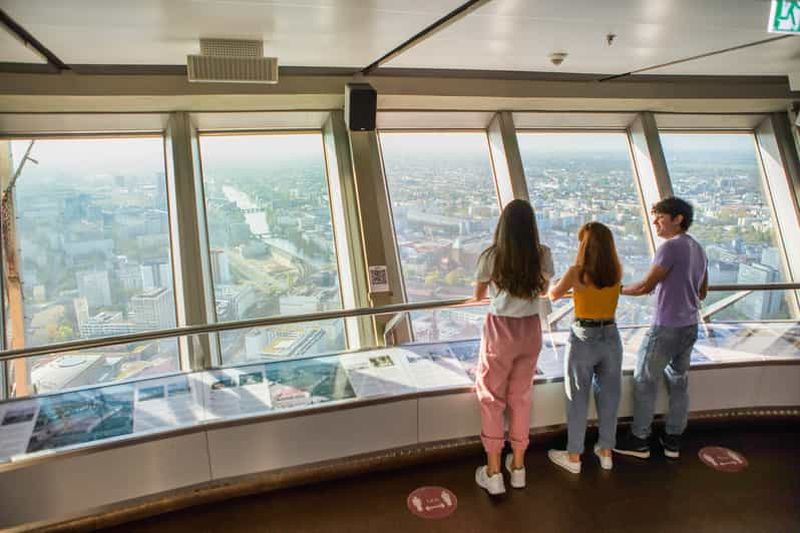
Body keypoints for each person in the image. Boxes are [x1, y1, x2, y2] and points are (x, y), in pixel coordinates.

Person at [614, 197, 708, 460]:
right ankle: (672, 440)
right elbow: (702, 292)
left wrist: (615, 290)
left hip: (666, 327)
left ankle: (639, 440)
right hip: (690, 325)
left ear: (678, 219)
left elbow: (645, 286)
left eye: (660, 217)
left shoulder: (670, 247)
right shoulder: (698, 248)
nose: (654, 222)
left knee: (644, 381)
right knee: (679, 382)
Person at [472, 199, 554, 495]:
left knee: (491, 398)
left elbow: (478, 293)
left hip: (500, 330)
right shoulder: (542, 254)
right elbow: (543, 289)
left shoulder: (491, 256)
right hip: (530, 329)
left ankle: (494, 473)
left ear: (503, 226)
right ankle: (518, 468)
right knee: (521, 398)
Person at [547, 222, 623, 474]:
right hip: (611, 335)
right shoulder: (617, 270)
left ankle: (574, 456)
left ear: (584, 246)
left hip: (583, 337)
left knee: (577, 397)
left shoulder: (576, 273)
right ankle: (606, 452)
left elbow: (553, 294)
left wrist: (558, 283)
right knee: (610, 397)